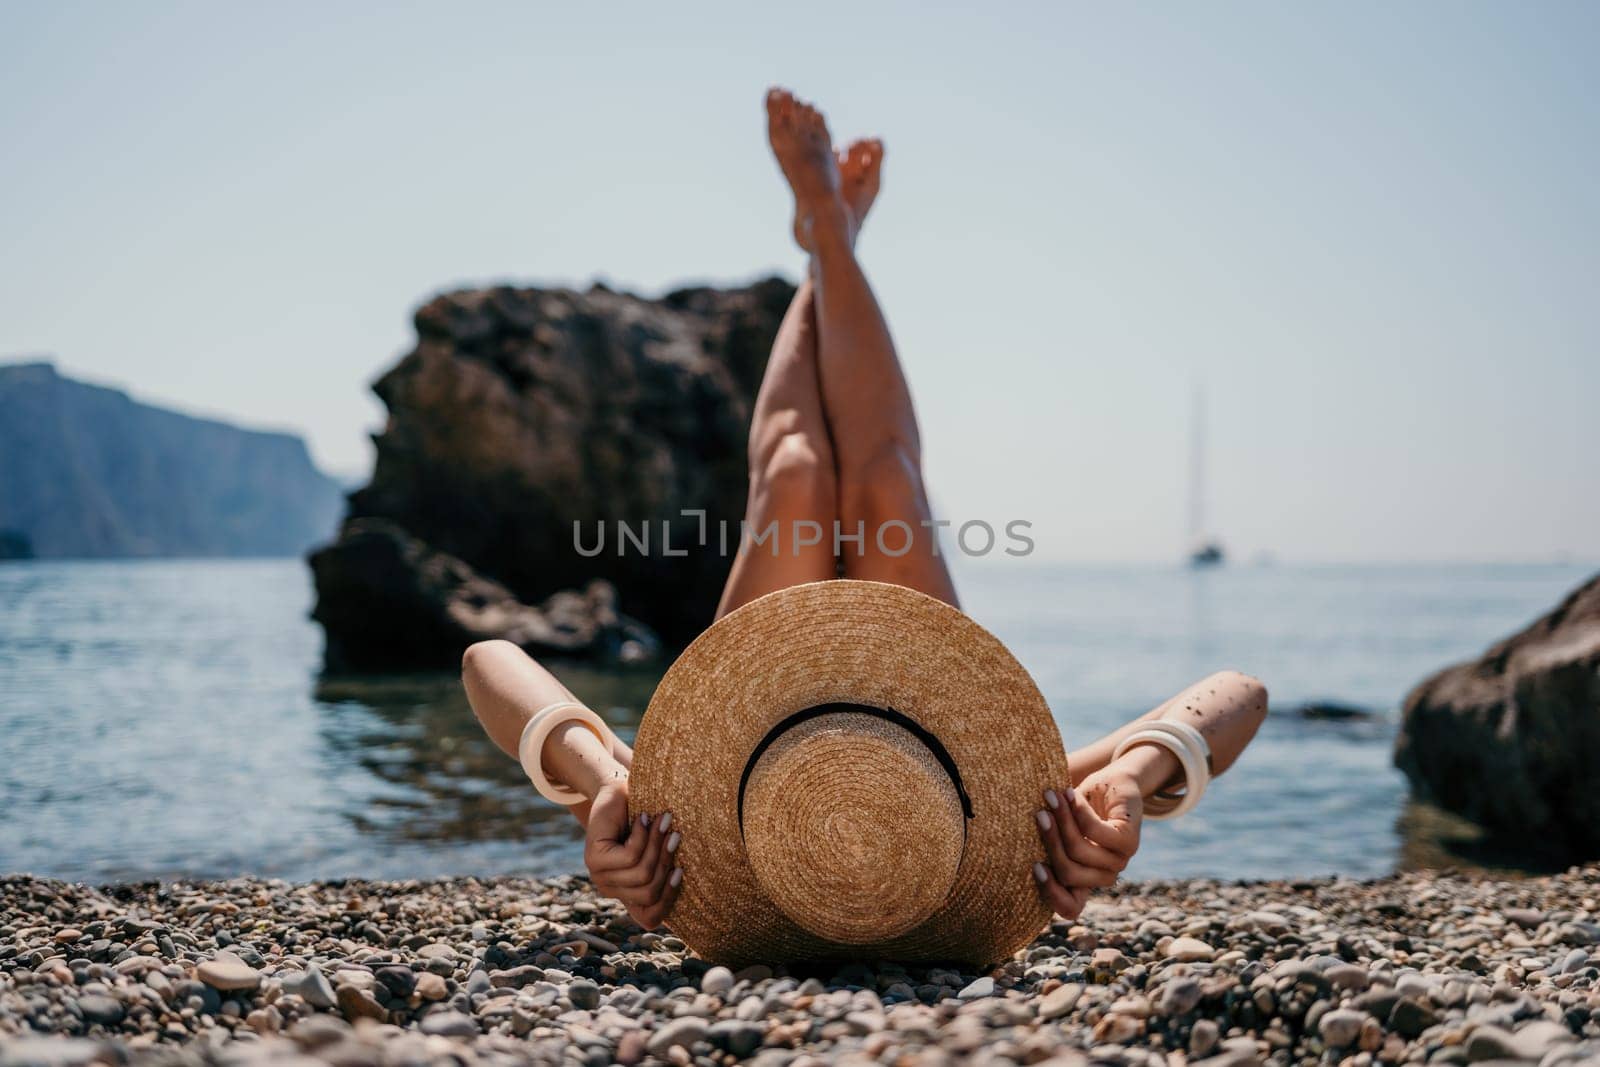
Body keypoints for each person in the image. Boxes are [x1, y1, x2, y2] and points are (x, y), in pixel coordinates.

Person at [462, 88, 1268, 933]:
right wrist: (1133, 780)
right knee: (883, 477)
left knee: (797, 470)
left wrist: (602, 783)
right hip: (928, 727)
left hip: (753, 730)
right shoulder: (1005, 833)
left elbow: (488, 662)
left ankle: (826, 235)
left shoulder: (674, 844)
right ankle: (831, 237)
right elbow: (1239, 693)